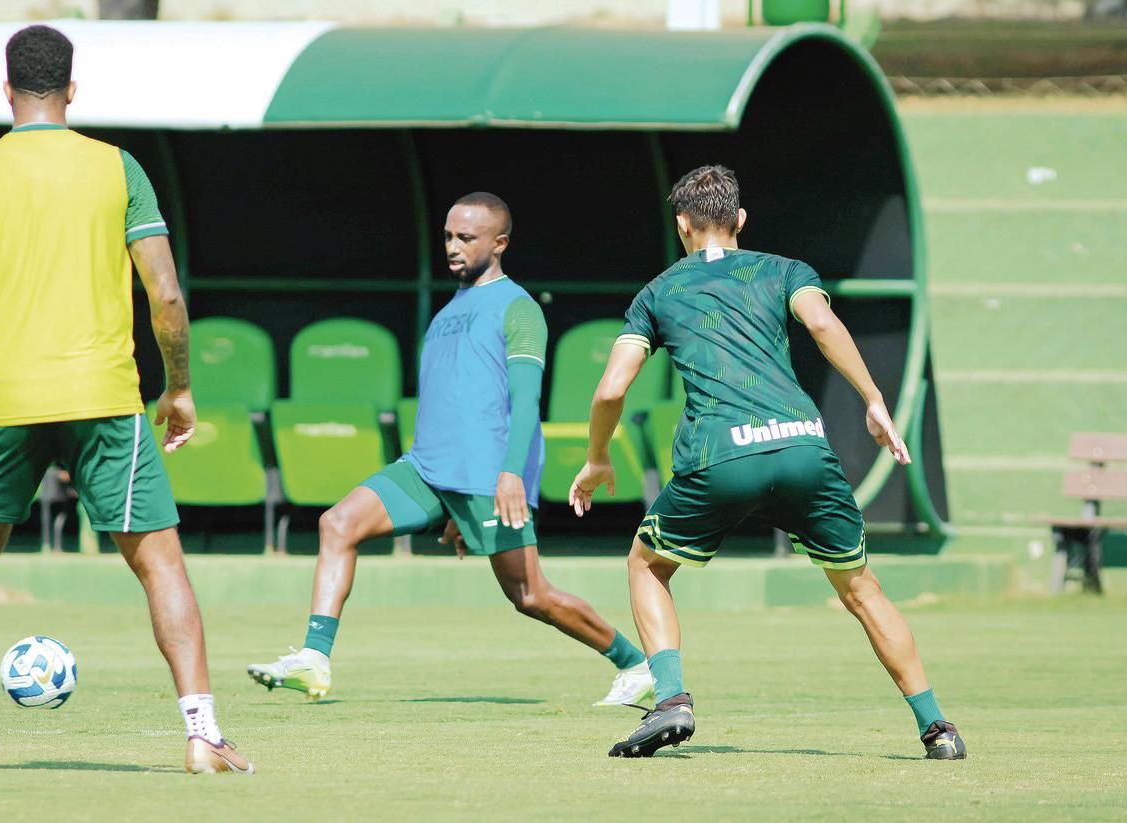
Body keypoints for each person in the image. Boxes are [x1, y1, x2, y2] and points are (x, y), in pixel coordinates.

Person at [0, 25, 253, 775]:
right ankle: (202, 734)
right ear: (72, 90)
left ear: (5, 89)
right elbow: (166, 294)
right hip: (104, 397)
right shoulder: (118, 168)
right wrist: (178, 386)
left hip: (0, 401)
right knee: (162, 567)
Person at [569, 165, 966, 760]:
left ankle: (672, 699)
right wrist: (874, 401)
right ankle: (938, 729)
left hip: (719, 457)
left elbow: (609, 390)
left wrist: (598, 458)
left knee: (646, 564)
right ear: (741, 220)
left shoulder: (658, 291)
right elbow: (823, 322)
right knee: (862, 589)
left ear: (681, 224)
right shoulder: (786, 271)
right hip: (804, 447)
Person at [247, 192, 654, 707]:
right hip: (427, 469)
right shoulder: (447, 312)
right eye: (447, 237)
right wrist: (446, 504)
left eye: (466, 238)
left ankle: (634, 663)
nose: (453, 248)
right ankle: (314, 658)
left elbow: (528, 401)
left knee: (530, 596)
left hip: (489, 475)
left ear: (500, 243)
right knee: (337, 524)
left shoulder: (520, 308)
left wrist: (510, 475)